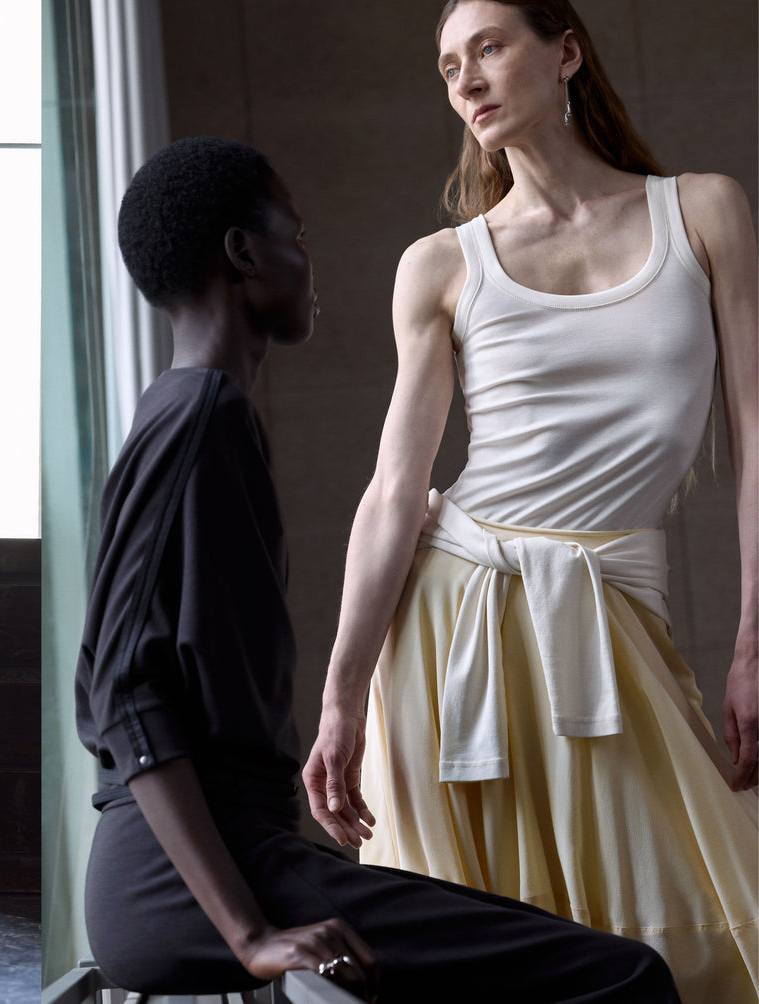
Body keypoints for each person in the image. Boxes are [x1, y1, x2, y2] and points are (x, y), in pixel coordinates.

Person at [74, 136, 682, 1003]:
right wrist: (250, 937)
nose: (308, 260)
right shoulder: (199, 418)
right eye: (299, 235)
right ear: (245, 253)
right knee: (625, 975)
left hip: (228, 863)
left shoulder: (194, 415)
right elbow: (121, 692)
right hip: (186, 888)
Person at [302, 3, 758, 1003]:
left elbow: (755, 433)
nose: (463, 78)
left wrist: (750, 641)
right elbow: (391, 487)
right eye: (445, 64)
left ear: (564, 52)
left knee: (709, 924)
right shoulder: (439, 265)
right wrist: (338, 697)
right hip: (450, 622)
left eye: (488, 48)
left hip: (609, 611)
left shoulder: (704, 212)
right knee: (486, 940)